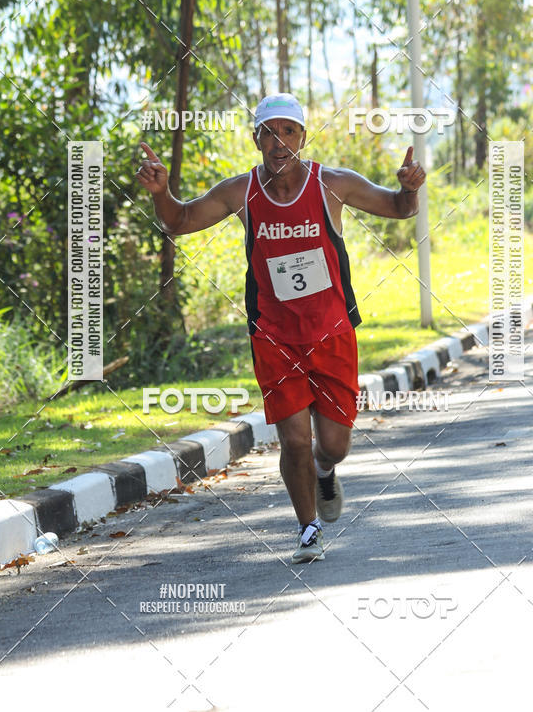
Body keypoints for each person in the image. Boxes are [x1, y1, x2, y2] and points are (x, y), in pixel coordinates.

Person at [136, 93, 426, 563]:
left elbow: (398, 208)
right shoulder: (241, 192)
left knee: (333, 445)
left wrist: (409, 188)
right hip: (273, 336)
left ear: (303, 137)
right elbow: (180, 220)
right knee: (292, 439)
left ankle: (324, 470)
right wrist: (160, 193)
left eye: (288, 131)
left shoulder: (332, 184)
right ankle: (308, 528)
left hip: (331, 332)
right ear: (256, 140)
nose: (279, 142)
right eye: (269, 133)